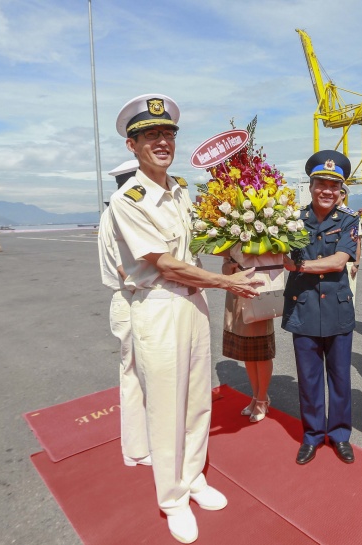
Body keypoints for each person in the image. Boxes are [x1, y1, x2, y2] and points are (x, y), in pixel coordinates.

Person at [108, 93, 263, 544]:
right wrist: (228, 284)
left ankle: (193, 476)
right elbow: (163, 263)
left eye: (167, 134)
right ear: (132, 146)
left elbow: (199, 246)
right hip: (158, 306)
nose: (161, 141)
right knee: (165, 404)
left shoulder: (180, 190)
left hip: (193, 303)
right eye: (150, 135)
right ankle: (172, 496)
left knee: (198, 398)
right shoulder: (129, 198)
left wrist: (246, 239)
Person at [282, 150, 360, 466]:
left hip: (337, 311)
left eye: (334, 186)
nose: (327, 191)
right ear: (311, 185)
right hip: (303, 309)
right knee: (309, 378)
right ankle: (312, 436)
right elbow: (280, 257)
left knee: (340, 378)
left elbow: (340, 261)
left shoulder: (349, 221)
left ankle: (340, 435)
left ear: (341, 191)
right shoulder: (291, 221)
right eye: (321, 184)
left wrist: (300, 266)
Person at [98, 159, 152, 468]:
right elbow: (125, 269)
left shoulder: (111, 213)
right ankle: (137, 449)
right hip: (130, 298)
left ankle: (139, 444)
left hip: (127, 299)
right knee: (136, 374)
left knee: (136, 372)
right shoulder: (121, 214)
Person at [220, 246, 276, 423]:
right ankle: (256, 396)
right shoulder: (231, 236)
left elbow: (276, 260)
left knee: (261, 350)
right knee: (248, 351)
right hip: (236, 292)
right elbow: (225, 267)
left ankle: (262, 399)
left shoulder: (264, 236)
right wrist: (229, 269)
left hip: (259, 291)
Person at [340, 187, 361, 309]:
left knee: (348, 296)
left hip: (348, 260)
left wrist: (356, 263)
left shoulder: (351, 215)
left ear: (343, 195)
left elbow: (358, 240)